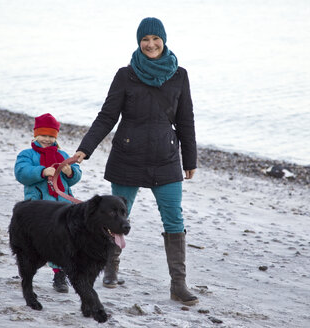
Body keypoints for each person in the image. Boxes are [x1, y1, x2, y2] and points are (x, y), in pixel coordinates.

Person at [74, 17, 198, 306]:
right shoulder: (125, 75)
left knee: (174, 219)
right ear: (138, 42)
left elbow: (186, 120)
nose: (151, 44)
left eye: (156, 39)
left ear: (164, 40)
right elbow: (107, 116)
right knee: (114, 217)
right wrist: (85, 149)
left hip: (166, 159)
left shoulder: (179, 75)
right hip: (127, 159)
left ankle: (178, 285)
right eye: (145, 40)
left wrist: (189, 158)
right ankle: (111, 266)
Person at [14, 113, 82, 293]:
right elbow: (21, 173)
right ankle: (29, 272)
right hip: (38, 207)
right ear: (35, 134)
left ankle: (60, 274)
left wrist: (70, 172)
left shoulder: (62, 154)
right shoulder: (27, 154)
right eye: (43, 135)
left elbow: (76, 175)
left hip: (63, 206)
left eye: (51, 136)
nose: (47, 139)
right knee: (40, 243)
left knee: (64, 241)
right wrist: (42, 172)